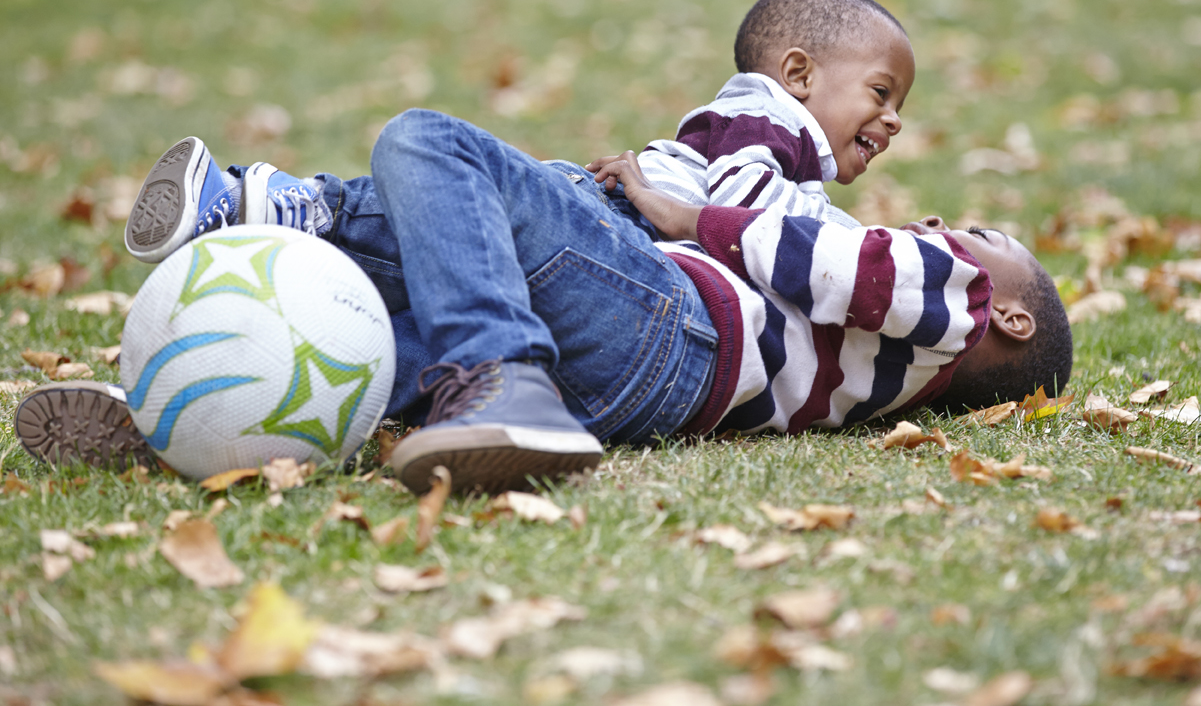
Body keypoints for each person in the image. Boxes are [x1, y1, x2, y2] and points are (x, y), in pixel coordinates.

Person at [15, 110, 1072, 496]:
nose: (945, 226)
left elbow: (818, 260)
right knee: (396, 326)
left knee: (431, 146)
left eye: (978, 234)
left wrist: (675, 212)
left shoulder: (953, 299)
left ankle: (297, 217)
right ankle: (190, 421)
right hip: (638, 391)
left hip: (675, 328)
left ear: (1010, 318)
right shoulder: (884, 378)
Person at [615, 0, 914, 236]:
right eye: (880, 92)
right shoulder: (765, 116)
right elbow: (748, 210)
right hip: (618, 217)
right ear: (799, 75)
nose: (895, 122)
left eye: (897, 108)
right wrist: (864, 241)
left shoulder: (780, 146)